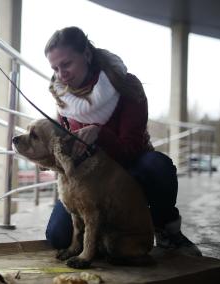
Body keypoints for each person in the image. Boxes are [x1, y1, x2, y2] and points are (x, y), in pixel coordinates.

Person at [44, 26, 201, 257]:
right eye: (55, 68)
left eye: (66, 64)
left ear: (87, 54)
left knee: (158, 165)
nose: (61, 74)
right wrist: (43, 155)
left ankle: (166, 230)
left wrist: (99, 132)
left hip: (130, 170)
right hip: (88, 178)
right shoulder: (63, 100)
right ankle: (102, 236)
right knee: (57, 237)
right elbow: (64, 151)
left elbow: (132, 149)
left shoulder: (125, 85)